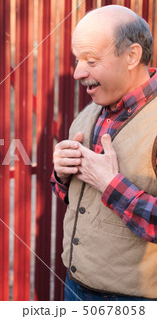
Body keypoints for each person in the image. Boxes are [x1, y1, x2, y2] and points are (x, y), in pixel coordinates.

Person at [51, 5, 157, 301]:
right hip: (74, 287)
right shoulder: (89, 114)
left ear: (132, 56)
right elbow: (76, 200)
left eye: (91, 60)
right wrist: (62, 174)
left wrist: (109, 184)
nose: (77, 73)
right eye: (77, 60)